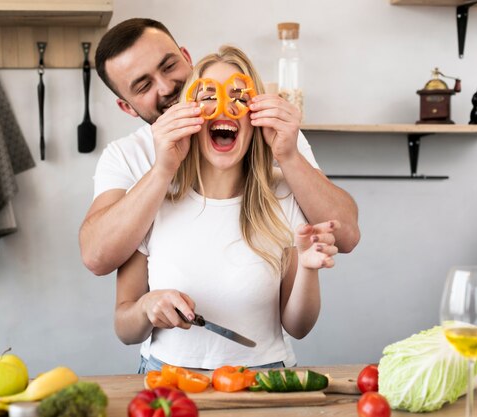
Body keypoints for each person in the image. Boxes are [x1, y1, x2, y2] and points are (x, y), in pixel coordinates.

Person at [79, 18, 360, 278]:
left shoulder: (267, 131)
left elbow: (346, 235)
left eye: (168, 66)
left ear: (187, 58)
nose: (166, 87)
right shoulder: (126, 155)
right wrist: (161, 171)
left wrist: (289, 156)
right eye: (143, 86)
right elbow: (96, 257)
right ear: (127, 107)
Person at [115, 45, 339, 371]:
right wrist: (146, 307)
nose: (224, 108)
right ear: (188, 114)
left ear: (257, 115)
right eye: (207, 97)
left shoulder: (284, 195)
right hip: (168, 381)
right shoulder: (152, 197)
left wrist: (308, 267)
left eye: (239, 97)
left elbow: (299, 327)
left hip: (263, 381)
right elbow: (124, 329)